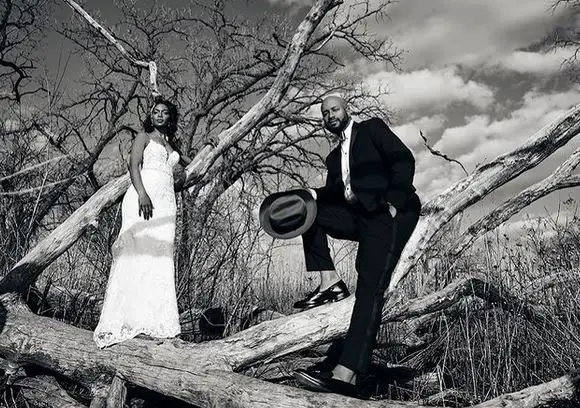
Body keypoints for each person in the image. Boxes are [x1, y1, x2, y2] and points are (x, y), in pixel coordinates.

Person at [292, 96, 421, 398]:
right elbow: (336, 194)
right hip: (359, 217)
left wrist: (393, 203)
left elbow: (404, 160)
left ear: (345, 109)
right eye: (324, 113)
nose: (329, 115)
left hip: (387, 214)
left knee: (369, 287)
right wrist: (309, 193)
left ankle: (347, 373)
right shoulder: (333, 158)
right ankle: (329, 281)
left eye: (334, 109)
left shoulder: (372, 130)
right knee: (308, 212)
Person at [93, 98, 192, 348]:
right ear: (151, 115)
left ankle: (155, 321)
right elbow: (133, 165)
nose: (159, 115)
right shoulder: (143, 136)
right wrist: (142, 193)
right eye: (156, 112)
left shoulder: (168, 142)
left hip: (167, 203)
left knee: (160, 258)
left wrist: (213, 146)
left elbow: (186, 161)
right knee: (137, 255)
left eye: (164, 112)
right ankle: (126, 319)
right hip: (144, 198)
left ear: (170, 117)